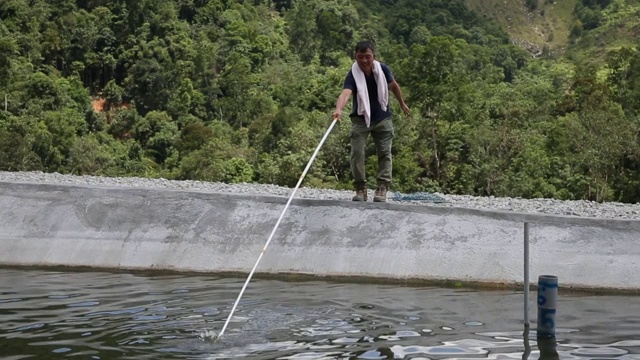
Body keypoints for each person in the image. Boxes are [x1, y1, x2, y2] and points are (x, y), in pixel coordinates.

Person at [332, 41, 410, 202]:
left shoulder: (383, 69)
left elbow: (394, 86)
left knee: (384, 153)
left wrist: (402, 103)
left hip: (382, 118)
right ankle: (360, 188)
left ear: (374, 56)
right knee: (357, 153)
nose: (364, 61)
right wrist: (339, 109)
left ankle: (382, 188)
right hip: (360, 119)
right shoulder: (353, 74)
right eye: (360, 57)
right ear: (355, 56)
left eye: (367, 57)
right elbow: (346, 93)